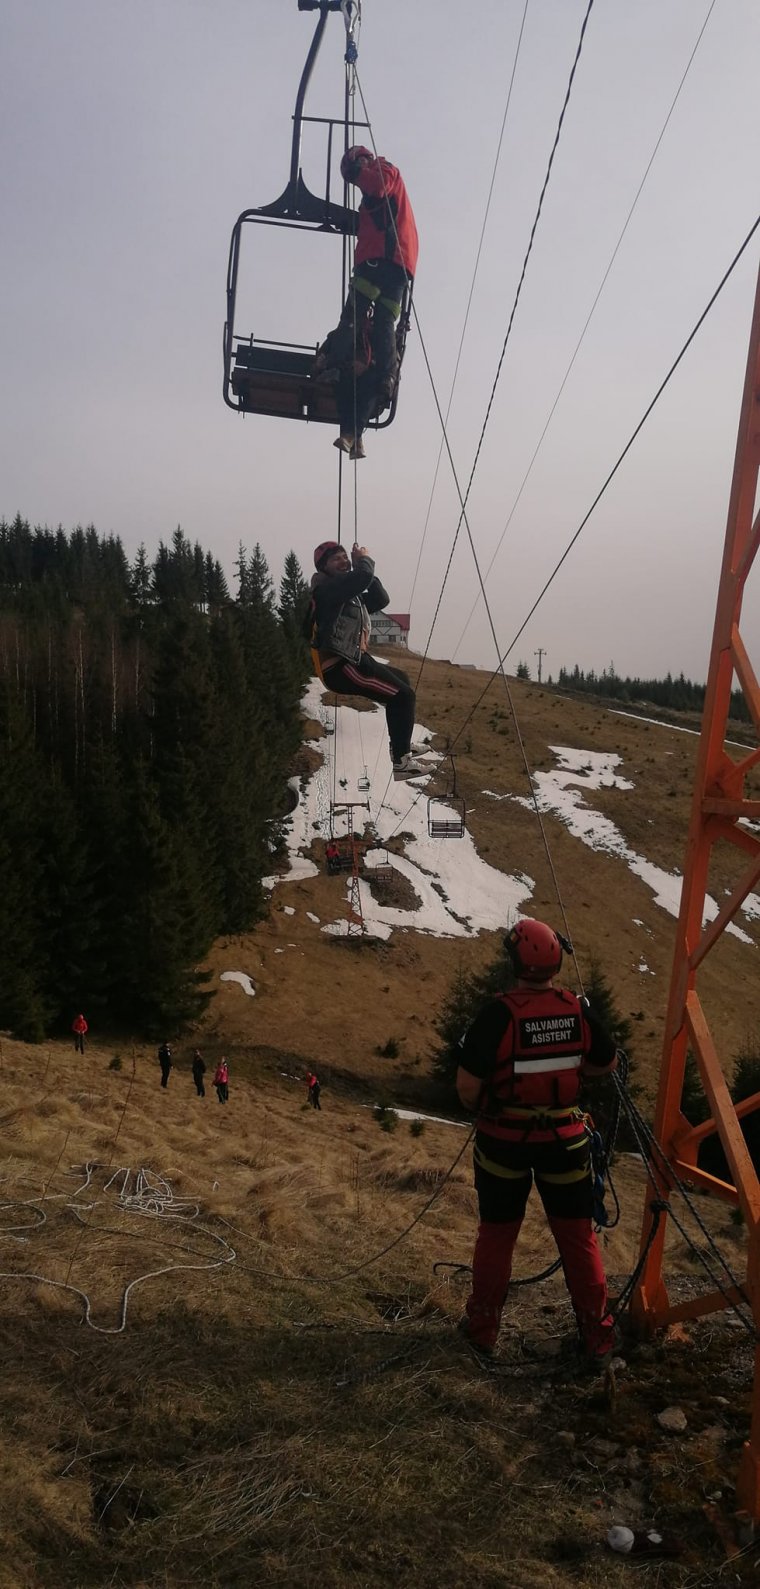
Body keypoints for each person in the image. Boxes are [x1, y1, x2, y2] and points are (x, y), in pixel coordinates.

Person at [455, 918, 619, 1365]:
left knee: (497, 1236)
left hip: (503, 1143)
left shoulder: (497, 1015)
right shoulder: (575, 1009)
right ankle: (597, 1336)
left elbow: (467, 1088)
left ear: (515, 962)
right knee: (578, 1239)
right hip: (565, 1143)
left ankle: (482, 1331)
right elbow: (606, 1062)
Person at [315, 147, 418, 459]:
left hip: (380, 263)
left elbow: (378, 185)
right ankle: (378, 389)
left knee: (353, 317)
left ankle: (343, 371)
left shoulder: (384, 172)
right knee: (384, 321)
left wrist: (357, 172)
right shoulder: (378, 202)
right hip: (398, 267)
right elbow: (370, 220)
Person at [309, 540, 428, 781]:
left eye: (345, 557)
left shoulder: (349, 596)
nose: (343, 561)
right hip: (341, 666)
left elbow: (381, 599)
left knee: (402, 680)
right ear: (324, 568)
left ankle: (401, 746)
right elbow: (361, 578)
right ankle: (402, 764)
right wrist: (362, 561)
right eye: (336, 559)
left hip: (354, 659)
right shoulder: (326, 590)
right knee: (403, 696)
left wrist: (364, 571)